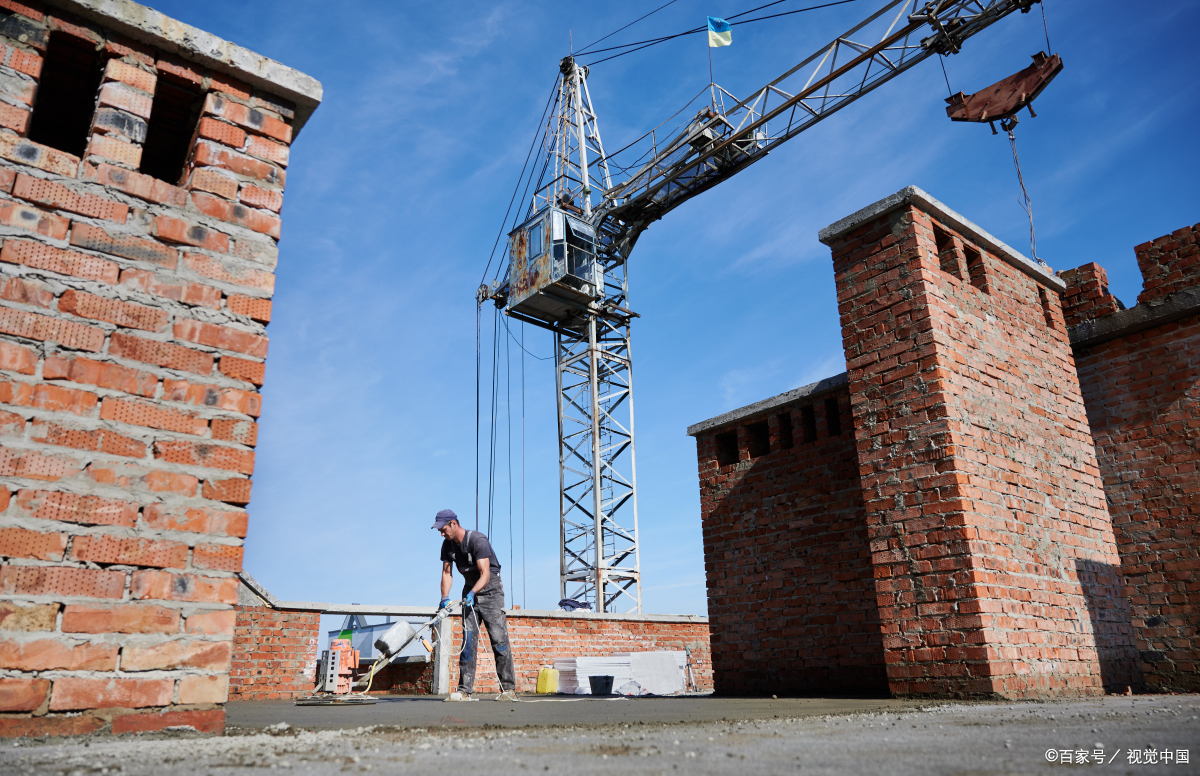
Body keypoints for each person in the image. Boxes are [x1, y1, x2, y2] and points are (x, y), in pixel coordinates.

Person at [432, 509, 518, 701]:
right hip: (470, 589)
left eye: (443, 529)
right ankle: (464, 691)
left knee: (498, 639)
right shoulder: (447, 546)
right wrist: (445, 597)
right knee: (468, 641)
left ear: (454, 523)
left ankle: (509, 690)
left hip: (490, 591)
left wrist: (473, 593)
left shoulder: (477, 540)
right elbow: (447, 573)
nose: (441, 533)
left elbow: (485, 573)